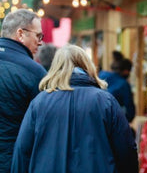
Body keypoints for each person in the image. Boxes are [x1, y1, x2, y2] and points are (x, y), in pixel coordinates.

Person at [11, 44, 138, 173]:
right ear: (87, 66)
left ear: (56, 67)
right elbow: (126, 149)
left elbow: (22, 150)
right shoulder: (105, 101)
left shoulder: (39, 102)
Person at [0, 9, 46, 172]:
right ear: (20, 34)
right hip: (14, 162)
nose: (40, 42)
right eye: (38, 36)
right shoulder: (35, 72)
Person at [99, 56, 136, 122]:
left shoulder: (101, 75)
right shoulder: (123, 84)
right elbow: (129, 107)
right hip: (112, 119)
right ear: (125, 71)